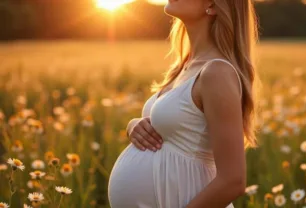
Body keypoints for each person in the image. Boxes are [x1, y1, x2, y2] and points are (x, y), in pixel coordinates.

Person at [108, 0, 260, 207]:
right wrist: (134, 125)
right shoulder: (184, 66)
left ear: (213, 6)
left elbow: (232, 181)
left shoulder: (217, 72)